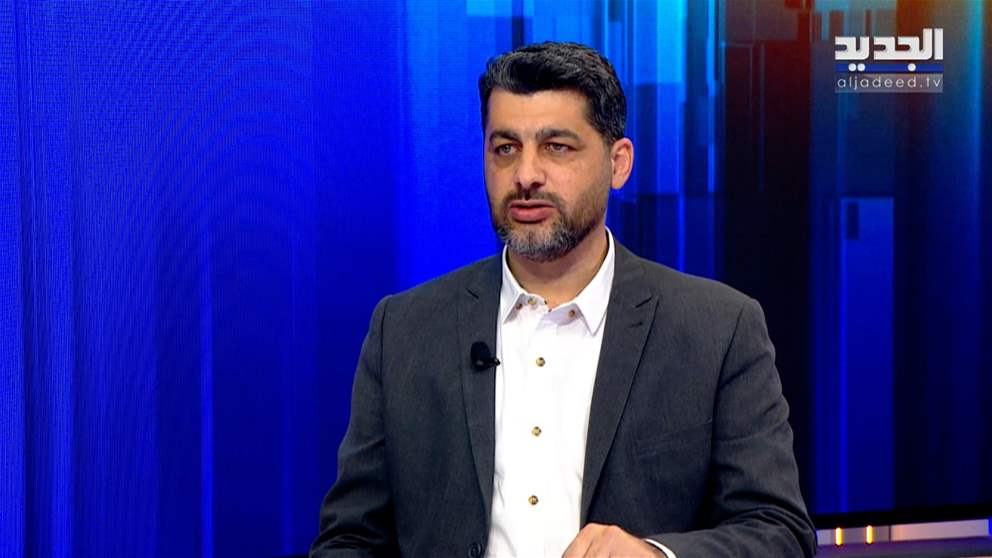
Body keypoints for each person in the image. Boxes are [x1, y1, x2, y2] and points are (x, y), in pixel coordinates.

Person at [311, 42, 815, 558]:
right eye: (505, 148)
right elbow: (350, 540)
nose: (525, 175)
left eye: (556, 147)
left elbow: (779, 532)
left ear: (618, 163)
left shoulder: (718, 330)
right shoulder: (404, 330)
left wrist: (655, 555)